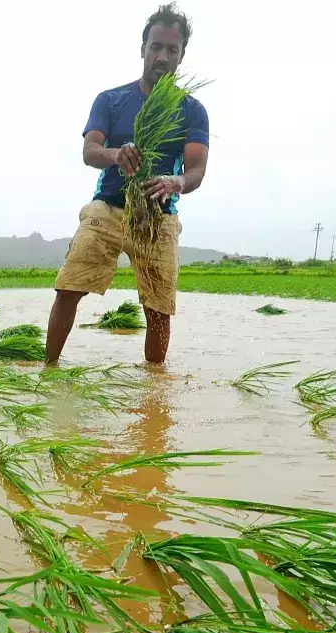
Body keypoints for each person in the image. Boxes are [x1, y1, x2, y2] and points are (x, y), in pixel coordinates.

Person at [45, 3, 209, 365]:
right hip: (107, 208)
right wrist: (117, 154)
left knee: (158, 308)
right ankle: (49, 371)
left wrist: (176, 181)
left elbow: (196, 170)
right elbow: (90, 151)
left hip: (157, 216)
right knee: (68, 288)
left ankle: (153, 392)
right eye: (156, 47)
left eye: (172, 49)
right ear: (142, 49)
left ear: (182, 55)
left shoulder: (191, 110)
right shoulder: (112, 100)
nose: (162, 56)